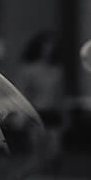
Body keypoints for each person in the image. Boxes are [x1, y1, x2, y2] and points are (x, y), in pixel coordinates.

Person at [15, 32, 65, 169]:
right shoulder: (29, 69)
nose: (49, 49)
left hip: (53, 112)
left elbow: (60, 94)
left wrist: (65, 114)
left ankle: (50, 179)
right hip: (36, 111)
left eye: (51, 46)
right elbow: (23, 92)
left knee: (55, 151)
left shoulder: (57, 70)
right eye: (46, 46)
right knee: (37, 151)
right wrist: (22, 115)